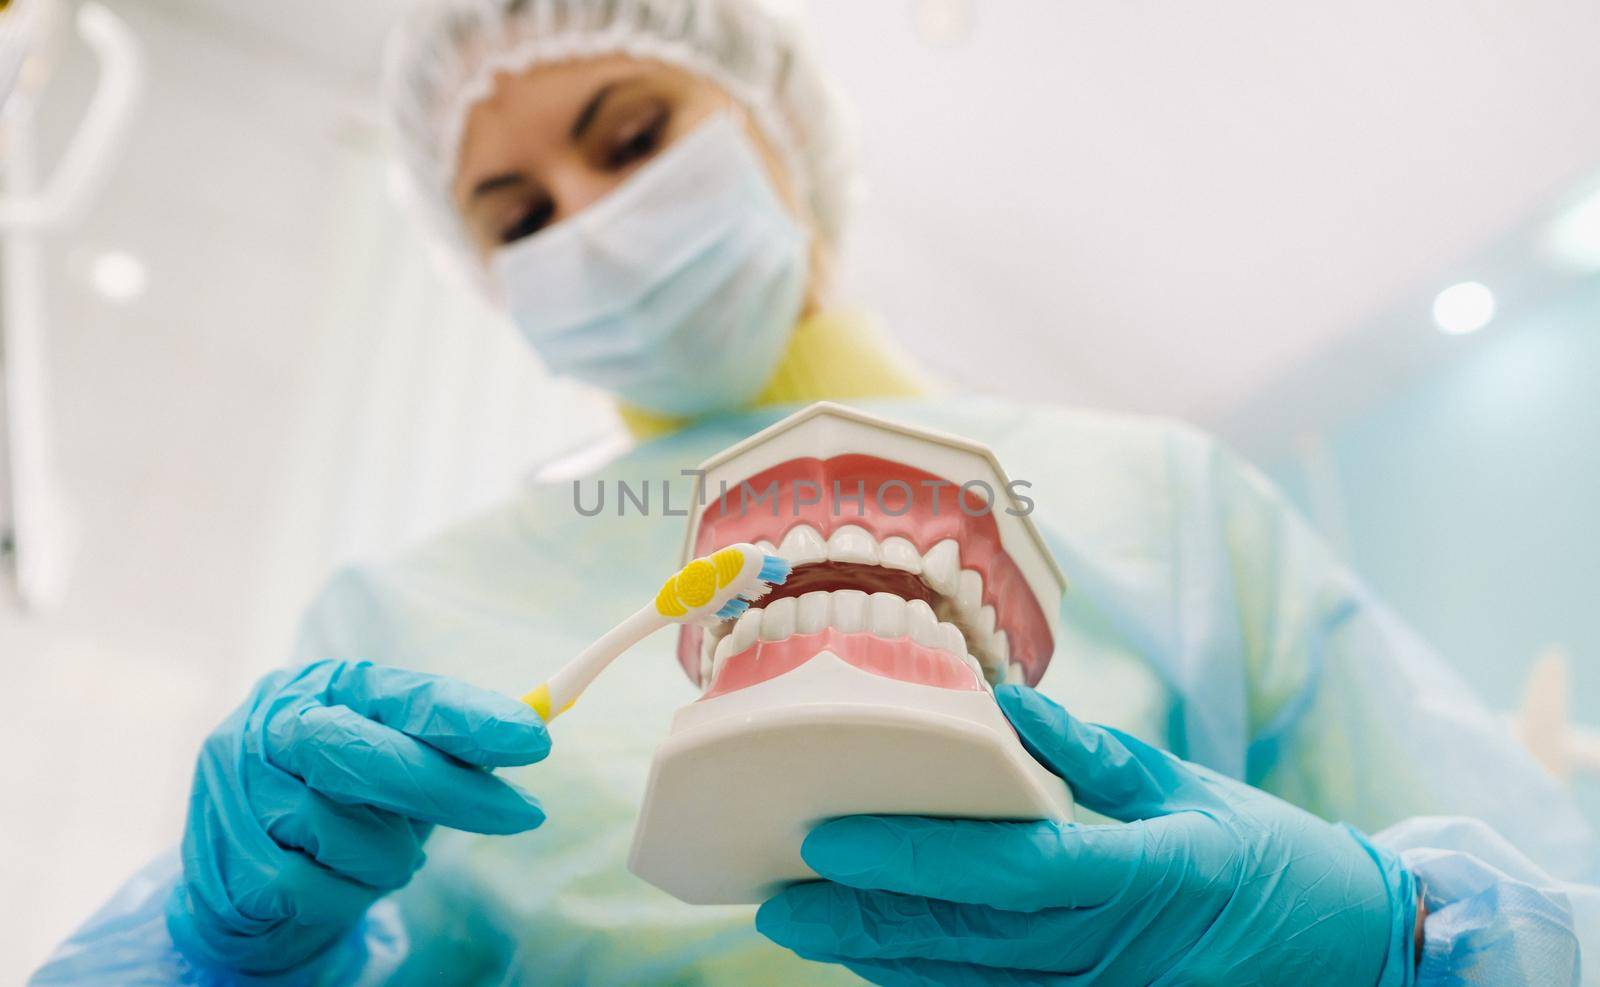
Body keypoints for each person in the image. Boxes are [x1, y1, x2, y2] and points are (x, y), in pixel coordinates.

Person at [32, 1, 1600, 984]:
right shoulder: (413, 613)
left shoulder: (1169, 502)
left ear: (781, 133)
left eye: (633, 136)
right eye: (516, 214)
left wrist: (1388, 943)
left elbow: (1559, 912)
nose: (588, 224)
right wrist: (228, 954)